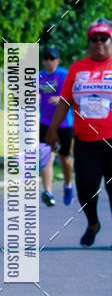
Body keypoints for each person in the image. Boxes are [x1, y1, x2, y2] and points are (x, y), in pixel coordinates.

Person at [46, 19, 112, 247]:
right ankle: (93, 223)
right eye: (94, 39)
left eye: (104, 38)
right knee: (85, 189)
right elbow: (65, 100)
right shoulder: (77, 69)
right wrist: (53, 128)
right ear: (88, 43)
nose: (99, 43)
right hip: (85, 142)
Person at [39, 46, 73, 207]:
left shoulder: (64, 75)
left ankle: (68, 185)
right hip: (45, 123)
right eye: (45, 58)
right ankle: (48, 192)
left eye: (52, 58)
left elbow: (72, 95)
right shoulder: (39, 77)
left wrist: (59, 99)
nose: (48, 61)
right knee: (47, 156)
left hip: (64, 123)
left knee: (64, 157)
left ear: (57, 60)